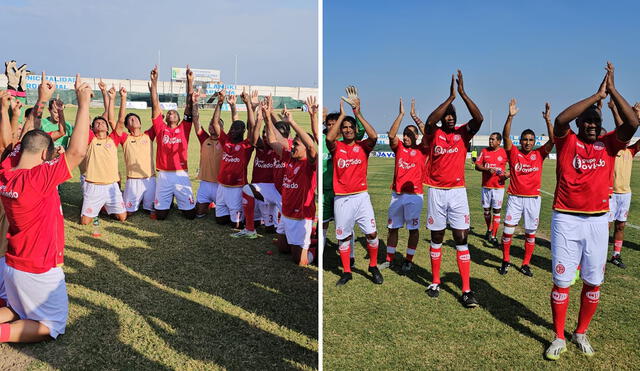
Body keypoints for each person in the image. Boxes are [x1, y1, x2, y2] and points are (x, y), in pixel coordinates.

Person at [544, 63, 639, 360]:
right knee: (561, 281)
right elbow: (561, 119)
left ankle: (580, 332)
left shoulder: (609, 144)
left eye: (596, 120)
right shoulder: (567, 140)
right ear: (580, 124)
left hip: (599, 221)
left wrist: (611, 90)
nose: (592, 124)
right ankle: (559, 336)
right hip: (566, 219)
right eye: (587, 121)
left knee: (593, 281)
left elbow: (633, 123)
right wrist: (594, 95)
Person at [0, 73, 92, 343]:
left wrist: (42, 100)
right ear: (44, 156)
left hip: (14, 264)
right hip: (37, 267)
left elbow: (28, 138)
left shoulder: (7, 172)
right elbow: (77, 152)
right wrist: (84, 103)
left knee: (16, 309)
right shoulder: (37, 179)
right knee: (51, 324)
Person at [422, 71, 483, 308]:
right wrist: (449, 98)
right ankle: (435, 281)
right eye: (446, 115)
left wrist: (463, 95)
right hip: (437, 191)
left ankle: (466, 290)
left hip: (458, 192)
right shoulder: (434, 132)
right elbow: (428, 121)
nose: (449, 117)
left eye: (452, 115)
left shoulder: (463, 133)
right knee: (437, 237)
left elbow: (478, 120)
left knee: (461, 238)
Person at [326, 87, 382, 286]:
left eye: (351, 127)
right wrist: (342, 116)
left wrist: (358, 113)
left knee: (372, 234)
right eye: (345, 127)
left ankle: (373, 266)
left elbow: (374, 136)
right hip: (342, 198)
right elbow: (329, 138)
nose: (348, 129)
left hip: (361, 197)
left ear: (355, 129)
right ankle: (347, 271)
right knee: (343, 236)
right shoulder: (336, 147)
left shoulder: (363, 147)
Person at [499, 100, 554, 276]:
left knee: (531, 234)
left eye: (531, 140)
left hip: (533, 200)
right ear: (521, 140)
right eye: (525, 139)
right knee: (508, 231)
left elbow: (553, 140)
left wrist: (547, 120)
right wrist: (510, 116)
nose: (528, 142)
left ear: (534, 141)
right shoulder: (514, 153)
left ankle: (525, 264)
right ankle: (506, 260)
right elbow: (506, 136)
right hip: (515, 198)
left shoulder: (539, 154)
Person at [264, 97, 317, 265]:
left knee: (299, 262)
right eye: (293, 143)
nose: (293, 147)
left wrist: (292, 122)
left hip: (302, 217)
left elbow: (311, 147)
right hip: (286, 214)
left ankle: (315, 250)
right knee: (282, 249)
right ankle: (309, 242)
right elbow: (273, 141)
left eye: (296, 145)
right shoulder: (288, 158)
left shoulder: (309, 164)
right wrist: (266, 118)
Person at [233, 92, 290, 239]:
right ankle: (250, 229)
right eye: (264, 133)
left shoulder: (286, 148)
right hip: (265, 189)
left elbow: (279, 130)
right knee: (248, 192)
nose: (266, 136)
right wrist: (258, 115)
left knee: (274, 230)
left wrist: (269, 114)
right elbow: (253, 133)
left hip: (283, 192)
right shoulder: (263, 145)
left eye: (267, 133)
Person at [381, 98, 428, 273]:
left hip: (415, 196)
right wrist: (401, 114)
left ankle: (408, 260)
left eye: (410, 135)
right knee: (392, 227)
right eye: (405, 134)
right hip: (397, 194)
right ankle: (389, 259)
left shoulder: (423, 150)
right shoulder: (399, 147)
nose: (406, 137)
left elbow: (428, 134)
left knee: (413, 229)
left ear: (416, 136)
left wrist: (414, 116)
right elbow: (392, 135)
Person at [148, 65, 196, 220]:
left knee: (190, 215)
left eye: (174, 113)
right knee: (161, 215)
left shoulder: (184, 128)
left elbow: (189, 104)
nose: (171, 114)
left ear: (179, 117)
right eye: (169, 112)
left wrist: (190, 82)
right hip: (163, 175)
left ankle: (179, 200)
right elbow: (155, 104)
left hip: (181, 173)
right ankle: (168, 201)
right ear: (165, 117)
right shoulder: (160, 127)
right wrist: (154, 83)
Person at [79, 85, 127, 224]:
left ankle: (103, 207)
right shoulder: (90, 139)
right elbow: (84, 120)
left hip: (112, 185)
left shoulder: (113, 139)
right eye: (97, 123)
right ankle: (93, 205)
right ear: (93, 128)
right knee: (85, 222)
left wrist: (122, 98)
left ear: (107, 127)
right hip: (93, 185)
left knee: (122, 217)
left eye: (102, 122)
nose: (100, 124)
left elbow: (121, 121)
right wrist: (86, 100)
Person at [211, 89, 254, 228]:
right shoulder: (226, 141)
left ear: (243, 131)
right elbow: (215, 123)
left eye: (237, 129)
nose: (233, 131)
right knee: (220, 221)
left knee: (235, 225)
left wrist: (248, 104)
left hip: (237, 188)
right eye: (232, 128)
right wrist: (219, 102)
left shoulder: (247, 145)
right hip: (222, 187)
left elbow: (252, 127)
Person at [110, 86, 157, 216]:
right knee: (126, 214)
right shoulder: (125, 138)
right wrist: (120, 98)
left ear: (140, 123)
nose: (133, 119)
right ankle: (123, 195)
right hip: (133, 181)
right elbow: (112, 120)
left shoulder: (148, 135)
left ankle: (146, 200)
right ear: (126, 126)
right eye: (130, 119)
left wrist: (153, 90)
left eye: (136, 118)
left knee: (153, 212)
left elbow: (156, 116)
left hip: (150, 179)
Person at [605, 99, 640, 268]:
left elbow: (631, 130)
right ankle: (599, 254)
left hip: (625, 194)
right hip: (610, 194)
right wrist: (614, 110)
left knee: (620, 226)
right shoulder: (612, 149)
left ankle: (616, 255)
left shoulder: (631, 151)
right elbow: (622, 128)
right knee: (606, 226)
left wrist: (638, 118)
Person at [474, 131, 508, 244]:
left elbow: (514, 166)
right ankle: (489, 229)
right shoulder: (484, 151)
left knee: (497, 211)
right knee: (487, 211)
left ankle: (493, 235)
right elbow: (477, 166)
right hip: (486, 186)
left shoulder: (504, 152)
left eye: (493, 139)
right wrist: (486, 169)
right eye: (490, 139)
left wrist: (507, 175)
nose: (490, 141)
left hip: (498, 187)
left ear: (499, 141)